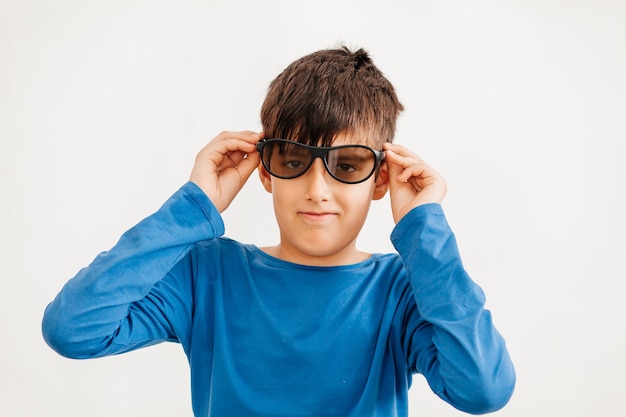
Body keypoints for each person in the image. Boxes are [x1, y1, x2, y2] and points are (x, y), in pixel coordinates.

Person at [42, 46, 515, 416]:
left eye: (347, 165)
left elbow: (483, 390)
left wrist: (423, 230)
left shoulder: (404, 291)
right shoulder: (209, 275)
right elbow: (73, 329)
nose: (317, 190)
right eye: (293, 160)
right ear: (266, 172)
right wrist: (192, 208)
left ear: (382, 179)